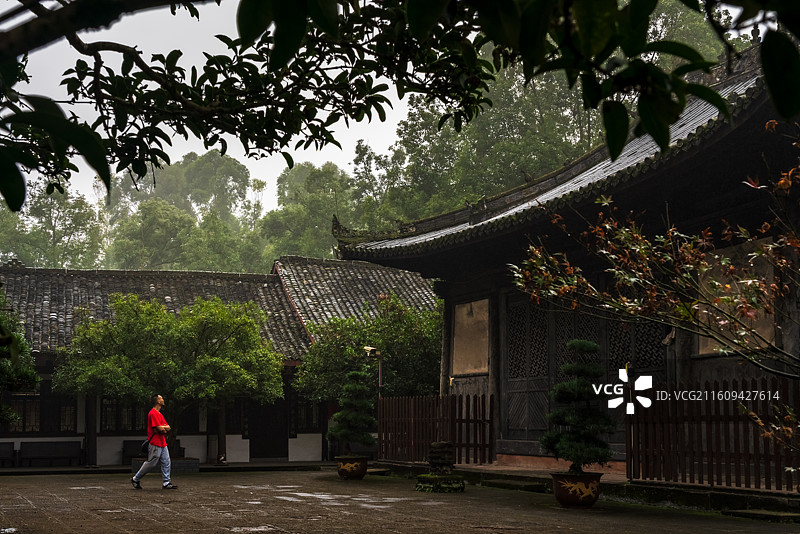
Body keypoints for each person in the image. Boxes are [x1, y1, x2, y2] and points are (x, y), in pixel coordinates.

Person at [131, 394, 178, 490]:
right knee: (152, 463)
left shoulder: (159, 414)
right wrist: (163, 428)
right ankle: (136, 478)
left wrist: (163, 428)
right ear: (157, 401)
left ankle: (166, 482)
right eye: (161, 398)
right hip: (155, 442)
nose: (163, 400)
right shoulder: (153, 413)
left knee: (166, 461)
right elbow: (160, 428)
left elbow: (167, 427)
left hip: (162, 442)